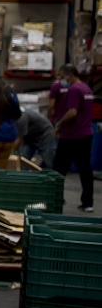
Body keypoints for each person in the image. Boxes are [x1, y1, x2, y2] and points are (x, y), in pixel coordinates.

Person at [52, 64, 95, 212]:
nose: (61, 80)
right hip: (86, 134)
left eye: (62, 77)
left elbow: (72, 112)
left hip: (72, 136)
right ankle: (88, 203)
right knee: (85, 169)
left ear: (69, 75)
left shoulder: (74, 90)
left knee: (58, 169)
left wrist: (59, 125)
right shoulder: (86, 88)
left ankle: (53, 200)